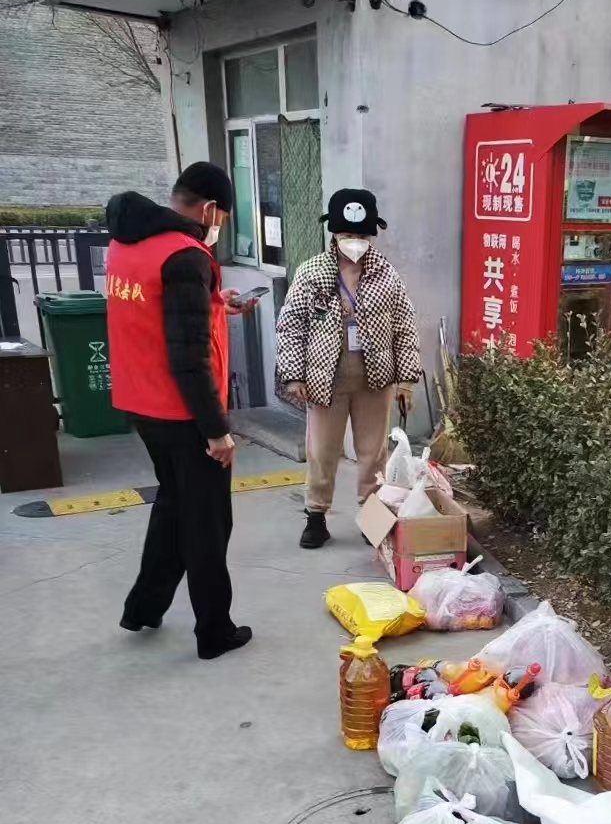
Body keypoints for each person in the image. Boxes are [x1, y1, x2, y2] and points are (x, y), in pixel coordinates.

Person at [105, 162, 254, 660]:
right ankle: (214, 632)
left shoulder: (126, 243)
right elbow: (188, 357)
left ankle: (143, 607)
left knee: (173, 505)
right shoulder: (185, 255)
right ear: (210, 209)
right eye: (223, 219)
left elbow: (161, 314)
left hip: (140, 403)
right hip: (183, 411)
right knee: (207, 523)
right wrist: (216, 430)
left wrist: (217, 302)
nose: (219, 228)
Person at [276, 188, 421, 549]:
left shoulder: (386, 274)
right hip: (324, 380)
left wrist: (406, 381)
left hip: (376, 380)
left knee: (373, 454)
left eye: (360, 235)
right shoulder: (312, 273)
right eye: (346, 234)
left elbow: (405, 326)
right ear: (333, 233)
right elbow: (291, 326)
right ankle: (315, 517)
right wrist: (293, 375)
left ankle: (372, 520)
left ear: (371, 234)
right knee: (321, 451)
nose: (353, 241)